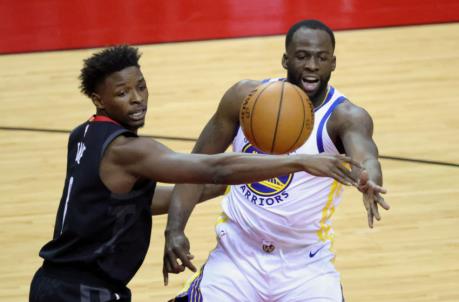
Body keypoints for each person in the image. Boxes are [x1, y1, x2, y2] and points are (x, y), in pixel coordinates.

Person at [28, 45, 361, 302]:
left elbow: (128, 203)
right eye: (122, 93)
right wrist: (298, 162)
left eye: (141, 87)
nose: (138, 99)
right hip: (82, 291)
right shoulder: (129, 151)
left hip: (57, 282)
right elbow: (213, 166)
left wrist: (219, 192)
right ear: (98, 98)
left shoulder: (83, 135)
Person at [164, 19, 390, 301]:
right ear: (285, 59)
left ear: (333, 63)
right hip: (237, 255)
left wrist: (369, 180)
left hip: (306, 264)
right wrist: (174, 229)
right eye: (302, 56)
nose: (311, 65)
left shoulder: (344, 117)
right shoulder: (245, 99)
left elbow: (366, 157)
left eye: (321, 58)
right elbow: (195, 166)